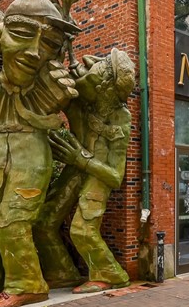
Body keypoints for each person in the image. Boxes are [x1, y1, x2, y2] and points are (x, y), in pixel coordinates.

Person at [0, 0, 79, 307]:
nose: (35, 52)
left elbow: (56, 109)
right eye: (22, 34)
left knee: (14, 219)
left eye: (49, 44)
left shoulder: (50, 85)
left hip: (31, 150)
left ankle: (27, 284)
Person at [34, 50, 135, 292]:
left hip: (97, 174)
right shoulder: (82, 102)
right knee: (43, 221)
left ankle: (112, 275)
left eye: (102, 66)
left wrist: (81, 159)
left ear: (107, 89)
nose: (91, 64)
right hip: (76, 168)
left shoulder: (120, 118)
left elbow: (116, 177)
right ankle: (62, 272)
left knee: (82, 230)